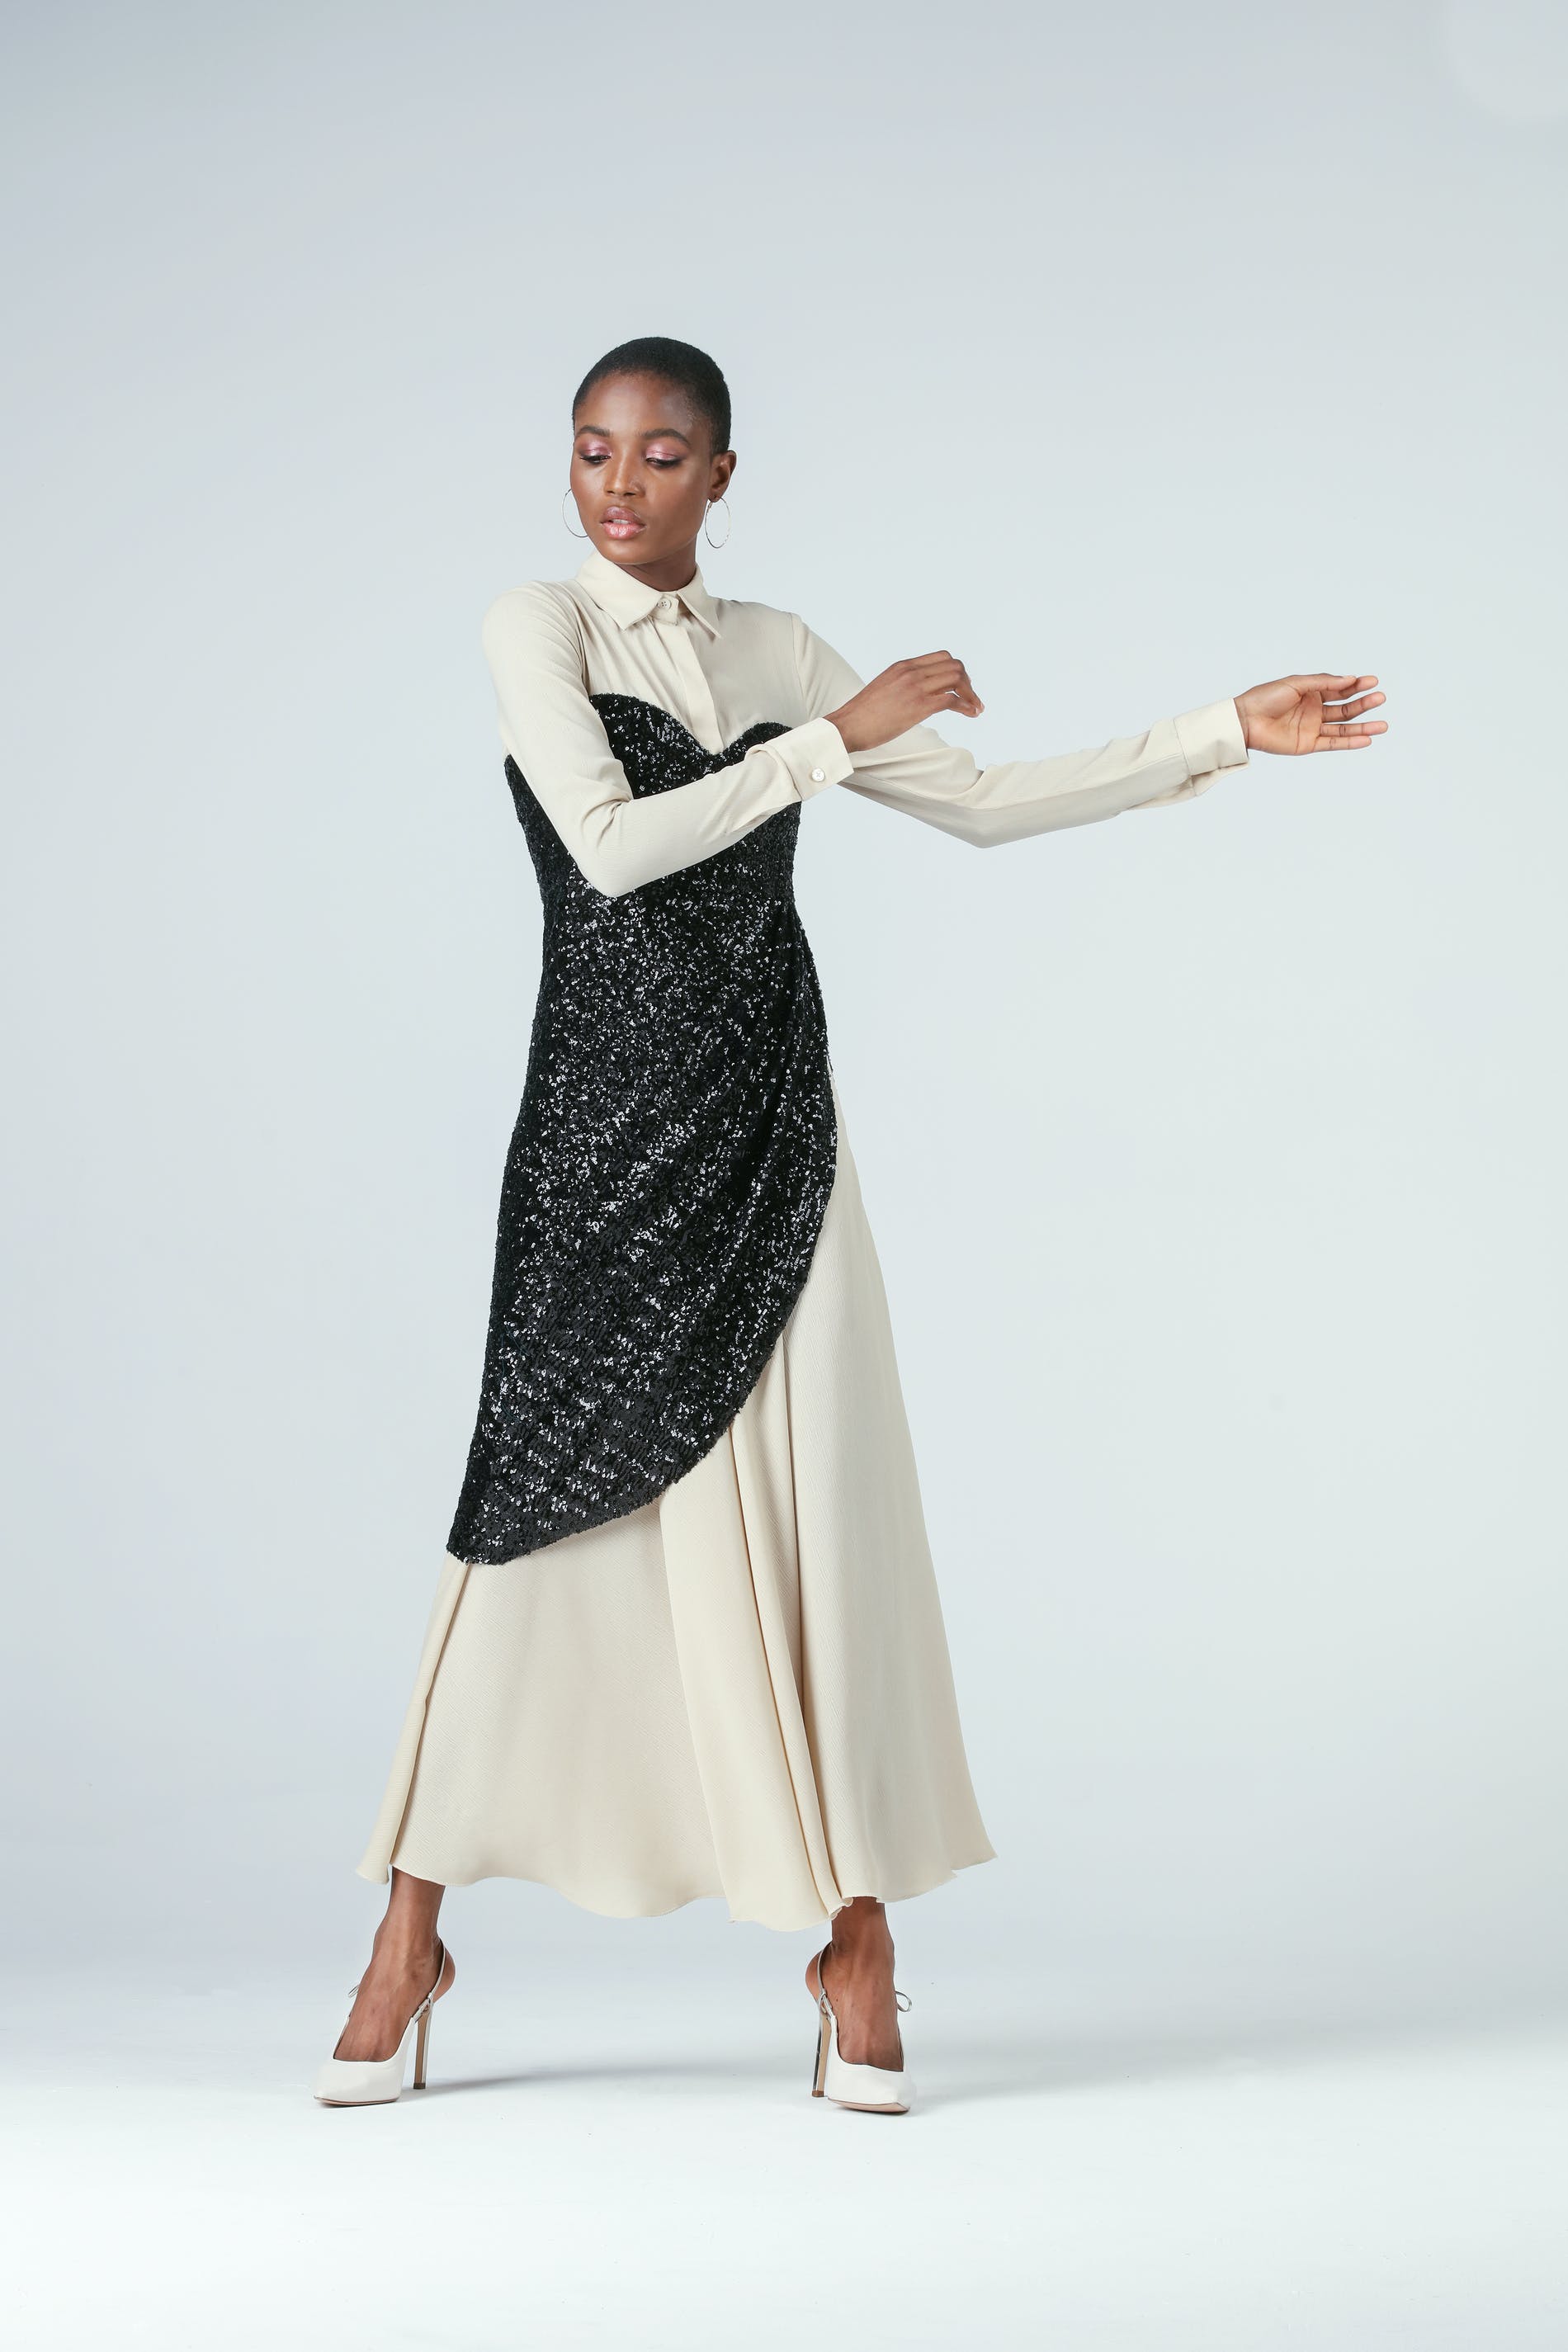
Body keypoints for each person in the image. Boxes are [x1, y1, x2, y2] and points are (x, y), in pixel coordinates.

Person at [313, 335, 1387, 2115]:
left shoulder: (778, 645)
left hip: (769, 1127)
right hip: (598, 1137)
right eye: (592, 449)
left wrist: (1220, 732)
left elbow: (983, 804)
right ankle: (407, 1936)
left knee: (823, 1511)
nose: (619, 484)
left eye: (662, 455)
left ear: (721, 474)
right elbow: (611, 848)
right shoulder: (537, 625)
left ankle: (855, 1939)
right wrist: (828, 744)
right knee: (527, 1510)